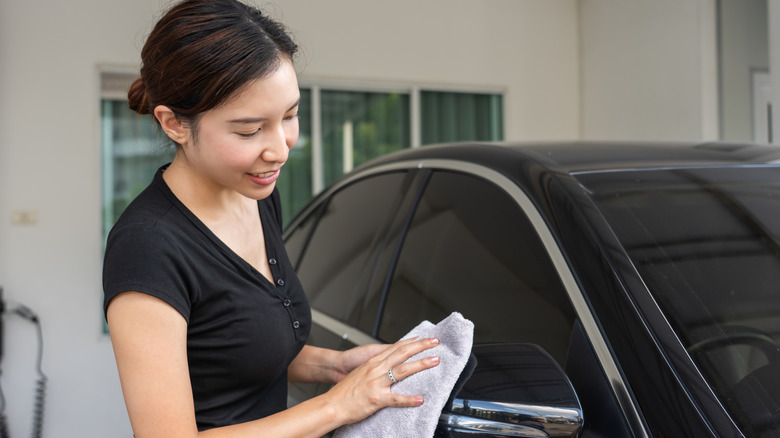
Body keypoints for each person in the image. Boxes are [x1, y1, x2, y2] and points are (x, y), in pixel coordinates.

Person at [102, 0, 440, 436]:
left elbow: (239, 351)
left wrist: (334, 365)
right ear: (175, 124)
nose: (280, 149)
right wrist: (338, 406)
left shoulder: (256, 197)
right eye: (248, 130)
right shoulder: (147, 247)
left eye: (290, 115)